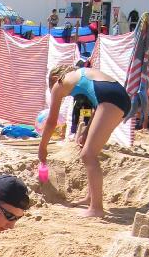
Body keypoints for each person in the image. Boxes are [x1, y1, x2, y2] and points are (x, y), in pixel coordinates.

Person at [38, 65, 131, 218]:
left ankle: (96, 209)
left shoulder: (59, 83)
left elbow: (51, 121)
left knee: (88, 155)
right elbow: (98, 102)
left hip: (111, 100)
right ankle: (90, 198)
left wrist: (42, 147)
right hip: (120, 98)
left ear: (54, 79)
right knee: (89, 152)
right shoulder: (81, 76)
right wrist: (86, 132)